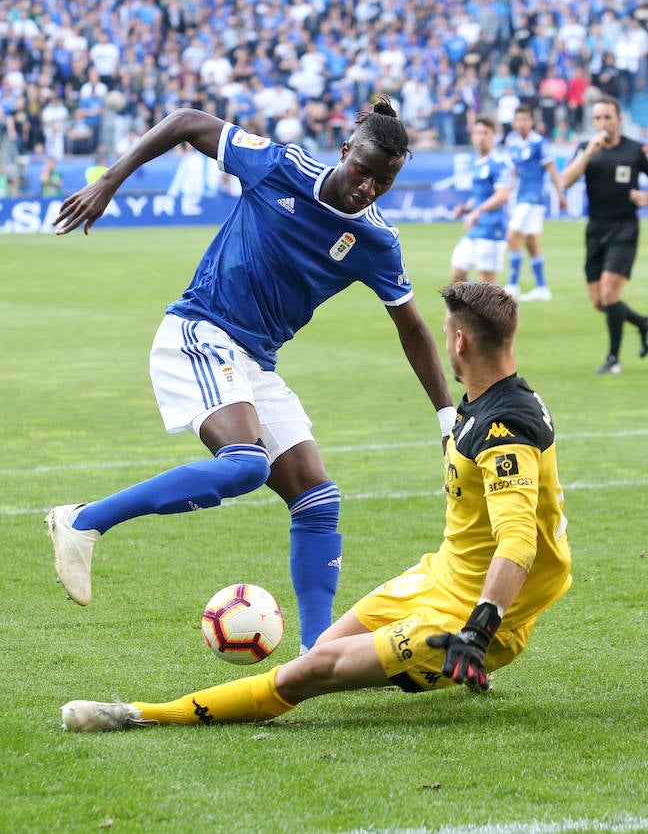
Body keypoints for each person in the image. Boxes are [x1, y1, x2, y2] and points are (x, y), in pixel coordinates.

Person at [59, 281, 573, 734]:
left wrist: (479, 630)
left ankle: (139, 714)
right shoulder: (489, 397)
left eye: (446, 335)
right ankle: (410, 663)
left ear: (460, 341)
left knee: (308, 674)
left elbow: (519, 540)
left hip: (472, 618)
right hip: (441, 576)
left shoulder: (504, 430)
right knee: (324, 646)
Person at [46, 97, 454, 655]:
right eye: (364, 171)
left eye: (384, 181)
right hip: (199, 331)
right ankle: (83, 521)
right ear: (344, 152)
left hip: (254, 360)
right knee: (244, 466)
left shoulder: (376, 242)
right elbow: (186, 120)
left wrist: (447, 415)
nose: (368, 188)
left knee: (317, 499)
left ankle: (316, 656)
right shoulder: (281, 166)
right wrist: (110, 181)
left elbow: (413, 329)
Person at [561, 95, 648, 374]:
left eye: (607, 117)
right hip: (596, 229)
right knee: (600, 301)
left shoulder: (636, 150)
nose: (602, 122)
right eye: (597, 118)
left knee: (610, 291)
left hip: (624, 227)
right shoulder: (587, 147)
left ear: (619, 119)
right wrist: (588, 153)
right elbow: (565, 181)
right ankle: (644, 324)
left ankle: (613, 359)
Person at [504, 105, 567, 302]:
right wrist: (509, 189)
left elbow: (552, 169)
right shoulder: (512, 143)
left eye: (525, 119)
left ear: (532, 122)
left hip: (533, 198)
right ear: (514, 123)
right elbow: (513, 171)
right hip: (520, 197)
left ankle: (513, 285)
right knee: (532, 244)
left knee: (512, 234)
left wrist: (560, 194)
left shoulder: (539, 143)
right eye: (518, 120)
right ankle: (542, 288)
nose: (521, 123)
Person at [451, 115, 513, 283]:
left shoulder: (499, 163)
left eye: (486, 133)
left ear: (494, 135)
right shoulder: (478, 163)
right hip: (476, 228)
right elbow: (480, 197)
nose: (481, 137)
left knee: (488, 283)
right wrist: (465, 209)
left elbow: (502, 195)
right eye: (478, 133)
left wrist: (478, 211)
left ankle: (503, 308)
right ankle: (476, 306)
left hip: (492, 229)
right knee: (457, 274)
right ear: (473, 136)